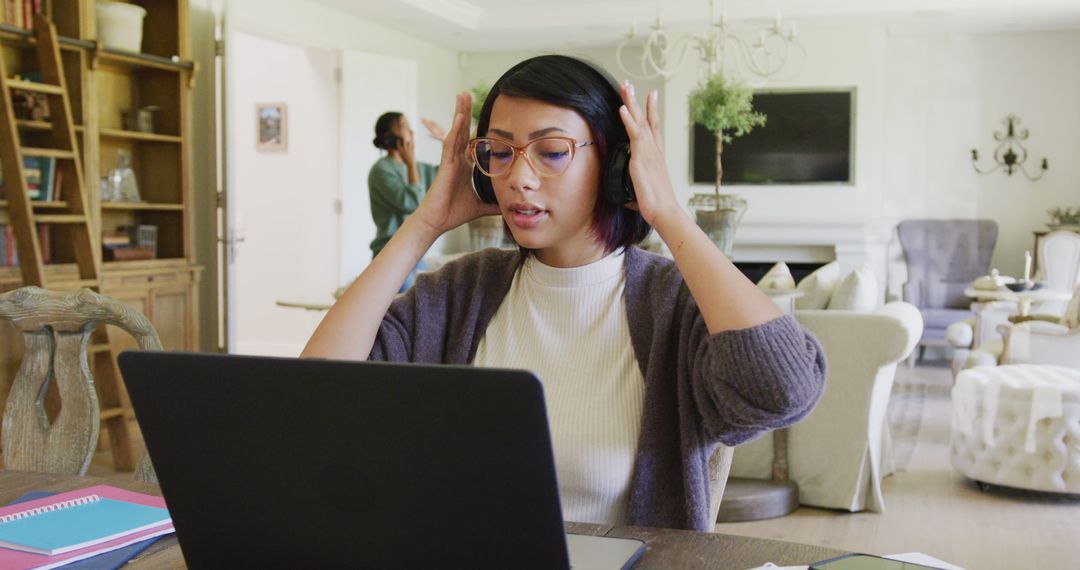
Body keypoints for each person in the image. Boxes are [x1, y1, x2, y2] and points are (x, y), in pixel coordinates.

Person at [304, 55, 826, 532]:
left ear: (616, 168)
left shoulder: (671, 304)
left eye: (551, 152)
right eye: (500, 153)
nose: (519, 178)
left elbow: (781, 391)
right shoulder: (461, 291)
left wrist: (666, 211)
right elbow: (317, 395)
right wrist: (425, 223)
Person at [368, 112, 446, 291]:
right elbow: (413, 204)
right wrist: (411, 165)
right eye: (404, 126)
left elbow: (448, 175)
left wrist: (445, 140)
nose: (411, 131)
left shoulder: (417, 168)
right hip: (391, 257)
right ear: (389, 138)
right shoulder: (381, 170)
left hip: (416, 254)